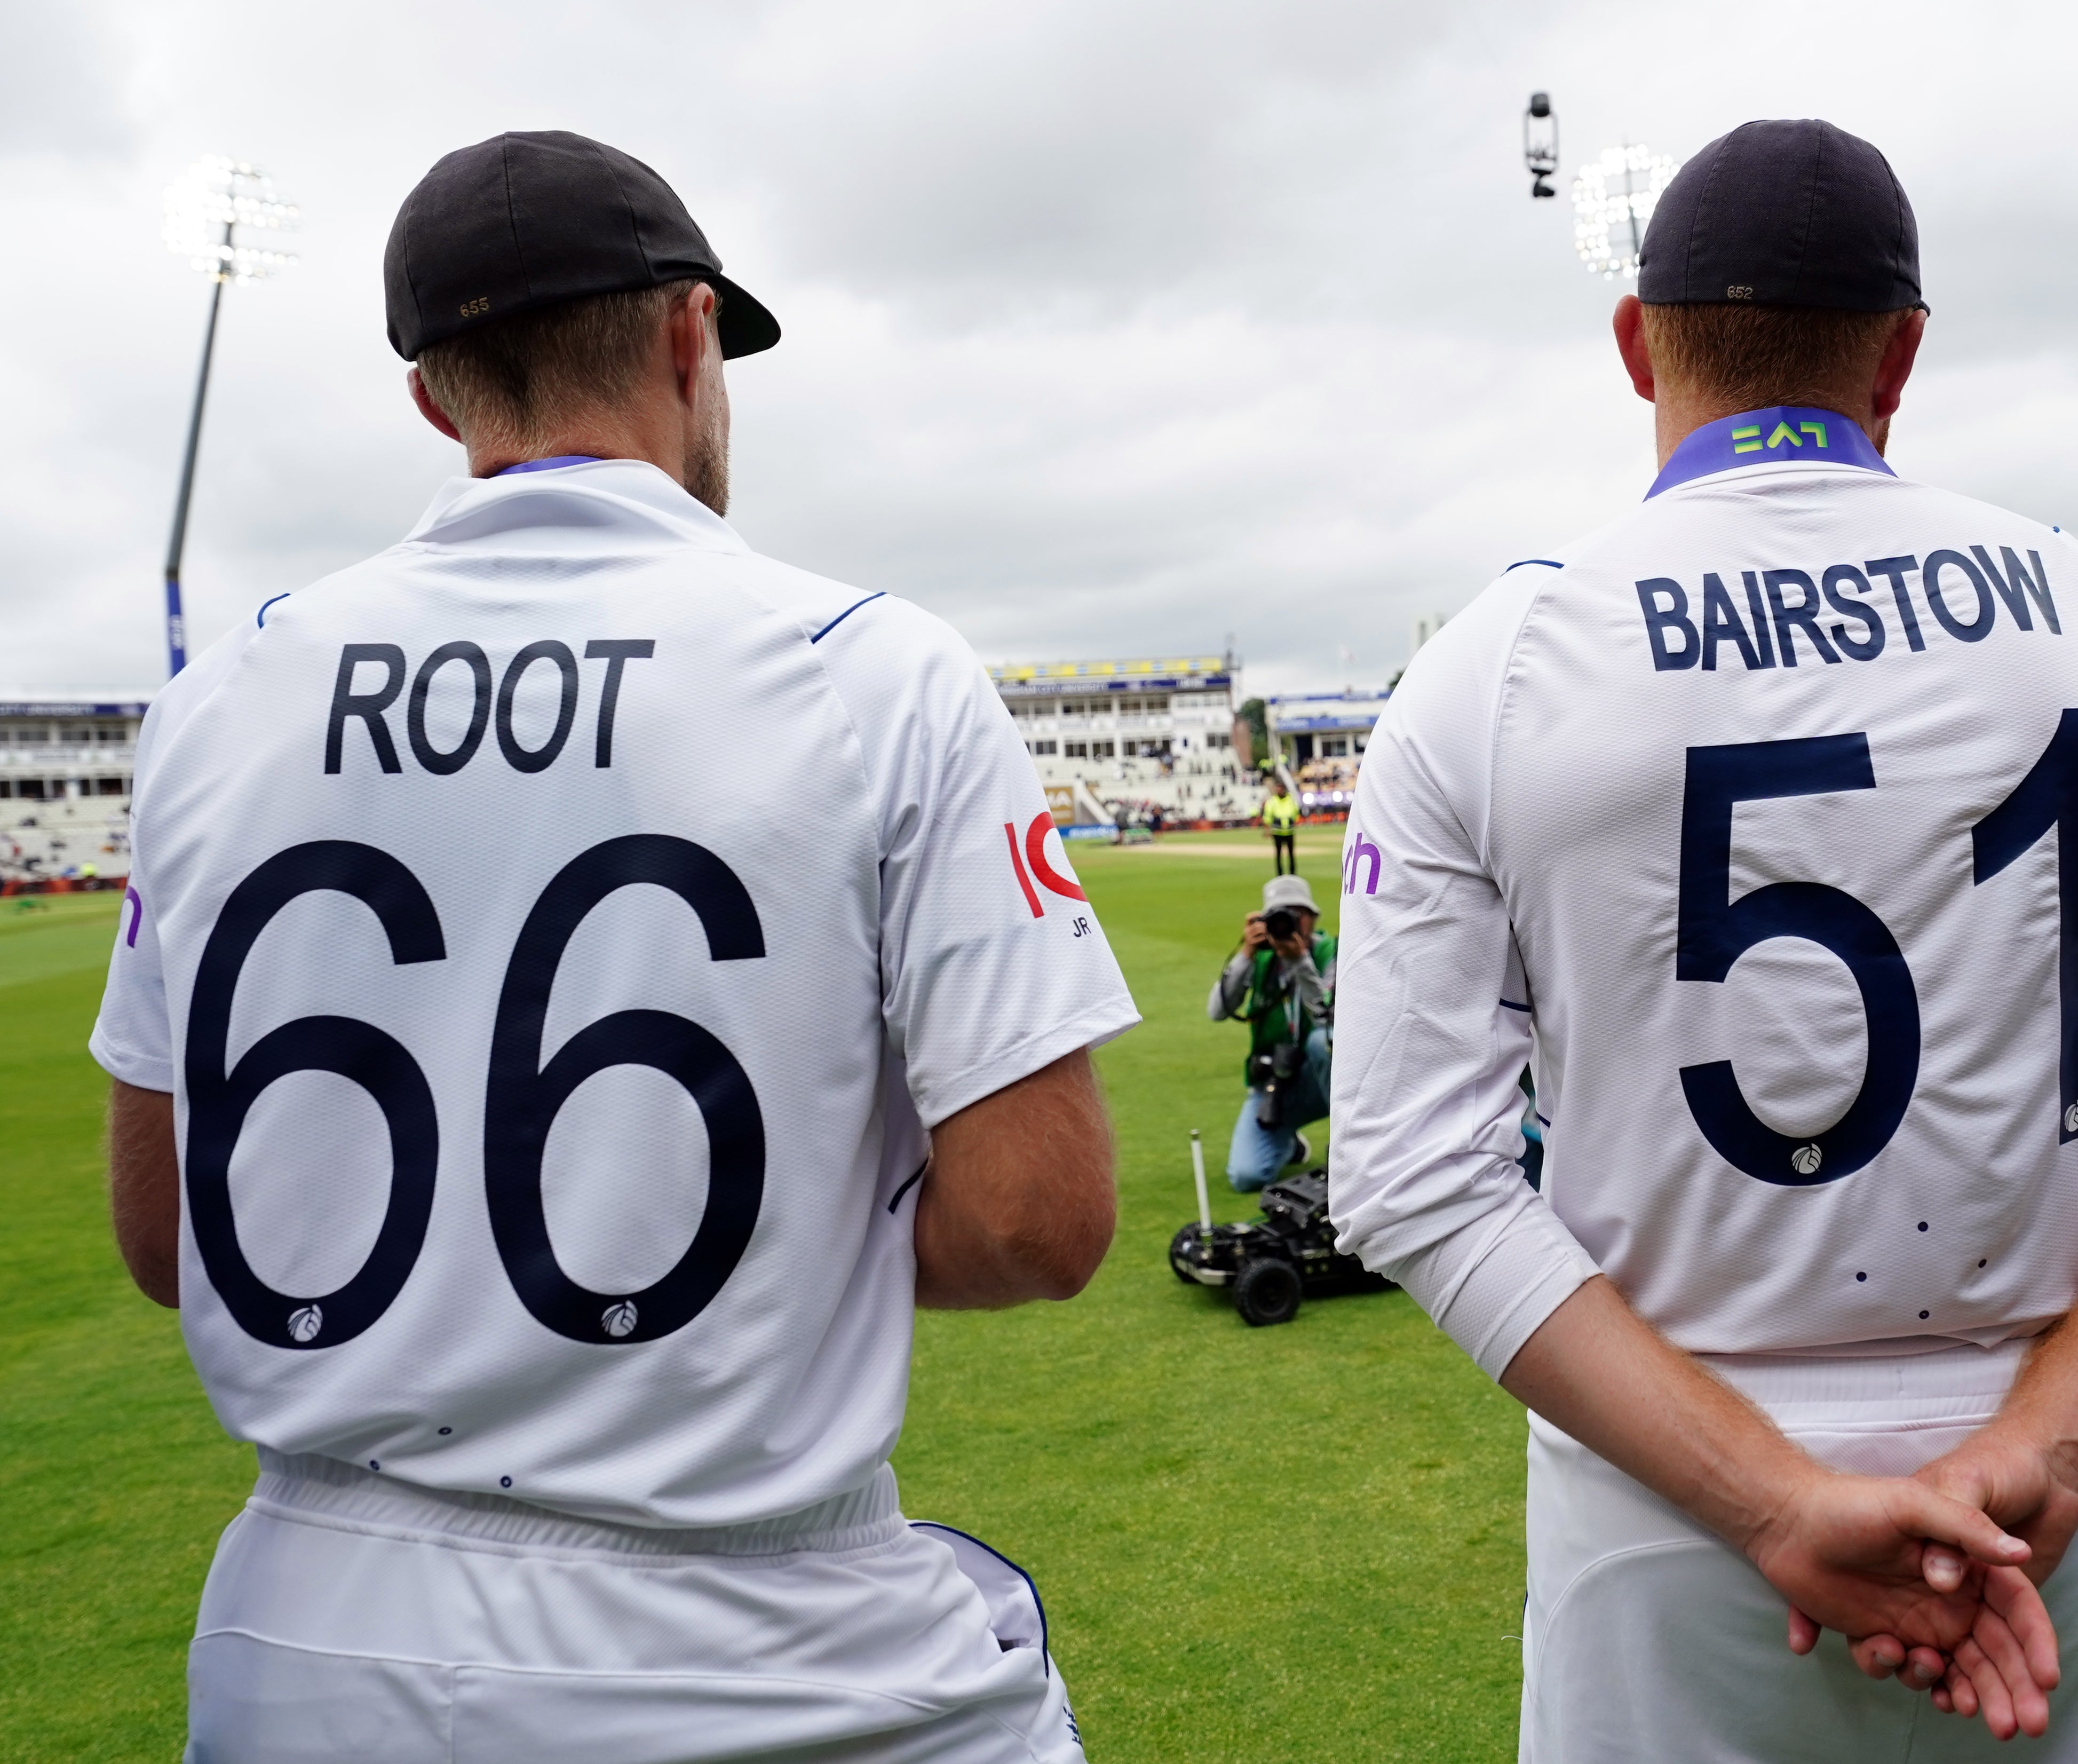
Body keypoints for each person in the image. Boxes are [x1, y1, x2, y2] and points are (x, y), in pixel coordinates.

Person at [1328, 117, 2078, 1759]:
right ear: (1895, 360)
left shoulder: (1489, 665)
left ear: (1635, 348)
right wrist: (2039, 1449)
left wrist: (1766, 1507)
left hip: (1658, 1500)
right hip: (2041, 1504)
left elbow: (1409, 1176)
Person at [90, 131, 1138, 1763]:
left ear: (437, 402)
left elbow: (168, 1240)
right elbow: (1035, 1222)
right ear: (687, 339)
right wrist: (771, 1268)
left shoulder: (215, 700)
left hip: (300, 1641)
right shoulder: (869, 669)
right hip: (753, 1644)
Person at [1209, 874, 1336, 1190]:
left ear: (1313, 918)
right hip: (1277, 1083)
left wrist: (1301, 964)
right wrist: (1246, 955)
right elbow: (1217, 1011)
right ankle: (1290, 1145)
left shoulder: (1332, 952)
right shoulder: (1261, 958)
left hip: (1330, 1080)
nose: (1290, 923)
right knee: (1246, 1176)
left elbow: (1329, 1022)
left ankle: (1352, 1148)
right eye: (1280, 915)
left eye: (1297, 914)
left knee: (1322, 1042)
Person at [1260, 773, 1300, 873]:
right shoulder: (1272, 801)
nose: (1278, 790)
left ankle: (1292, 874)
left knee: (1291, 855)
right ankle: (1280, 874)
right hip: (1277, 832)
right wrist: (1267, 830)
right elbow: (1267, 817)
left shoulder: (1290, 799)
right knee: (1278, 855)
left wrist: (1294, 821)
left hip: (1289, 831)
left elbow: (1295, 812)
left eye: (1280, 788)